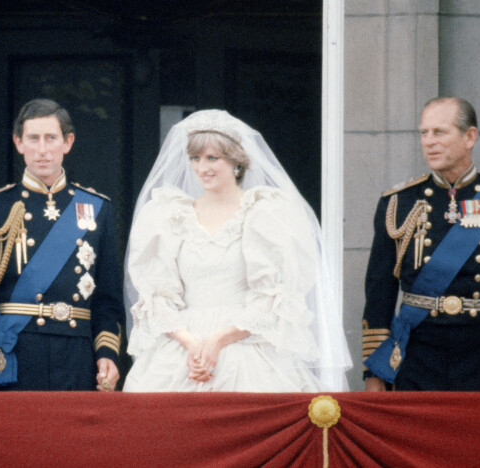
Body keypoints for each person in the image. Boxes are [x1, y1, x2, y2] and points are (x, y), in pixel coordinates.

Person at [123, 109, 352, 392]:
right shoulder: (169, 215)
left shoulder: (264, 214)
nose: (202, 167)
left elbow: (274, 298)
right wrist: (192, 345)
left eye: (212, 158)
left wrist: (219, 340)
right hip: (184, 348)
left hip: (246, 345)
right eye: (195, 158)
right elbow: (156, 297)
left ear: (236, 162)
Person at [362, 97, 480, 392]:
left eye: (440, 132)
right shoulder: (398, 203)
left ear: (470, 137)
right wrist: (374, 371)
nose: (429, 142)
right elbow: (379, 293)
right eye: (424, 133)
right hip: (417, 351)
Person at [0, 98, 125, 391]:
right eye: (33, 138)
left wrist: (107, 352)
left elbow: (108, 298)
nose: (42, 149)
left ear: (67, 142)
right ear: (18, 143)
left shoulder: (96, 209)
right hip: (15, 355)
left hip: (77, 357)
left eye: (51, 138)